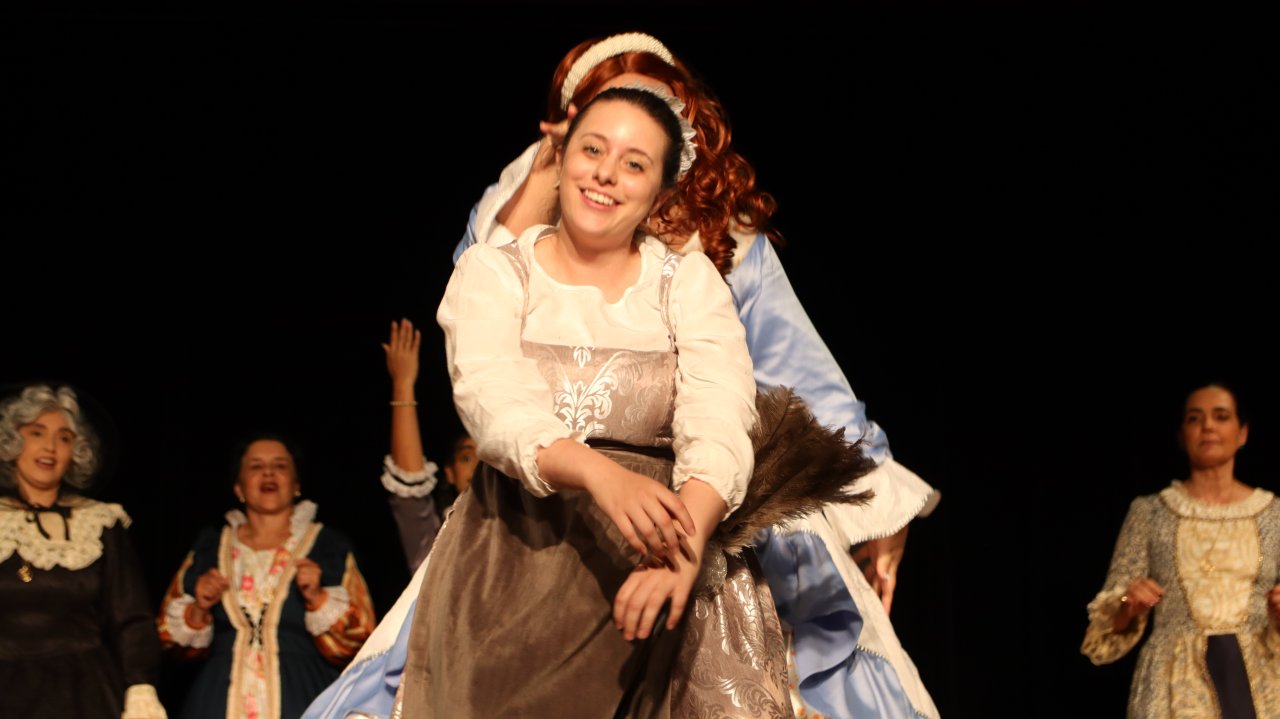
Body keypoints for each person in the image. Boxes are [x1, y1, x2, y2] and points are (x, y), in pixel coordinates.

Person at [455, 31, 939, 719]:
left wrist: (877, 494)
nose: (610, 166)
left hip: (694, 507)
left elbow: (795, 371)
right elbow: (477, 346)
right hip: (530, 516)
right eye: (596, 136)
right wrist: (542, 173)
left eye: (639, 147)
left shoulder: (707, 254)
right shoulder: (510, 241)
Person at [1081, 383, 1280, 718]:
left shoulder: (1273, 513)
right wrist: (1129, 601)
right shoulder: (1151, 511)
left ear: (1242, 433)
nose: (1208, 426)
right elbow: (1106, 628)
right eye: (1194, 418)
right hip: (1174, 682)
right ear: (1182, 436)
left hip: (1262, 679)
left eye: (1221, 416)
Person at [157, 435, 376, 719]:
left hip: (303, 696)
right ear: (238, 487)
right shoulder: (210, 547)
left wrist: (317, 598)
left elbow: (362, 642)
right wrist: (199, 607)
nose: (269, 473)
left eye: (280, 465)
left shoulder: (328, 547)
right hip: (218, 699)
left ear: (296, 485)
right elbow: (168, 638)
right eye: (256, 466)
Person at [0, 384, 167, 719]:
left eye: (64, 438)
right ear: (12, 442)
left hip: (86, 692)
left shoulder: (100, 522)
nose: (50, 447)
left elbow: (131, 616)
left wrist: (141, 686)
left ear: (77, 451)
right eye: (36, 433)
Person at [379, 318, 477, 573]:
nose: (478, 467)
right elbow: (409, 485)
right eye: (467, 458)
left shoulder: (525, 529)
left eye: (487, 461)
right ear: (449, 473)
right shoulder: (436, 536)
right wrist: (403, 385)